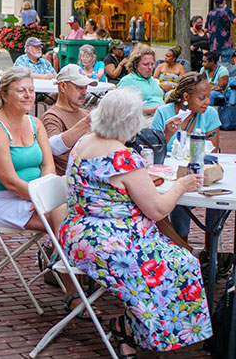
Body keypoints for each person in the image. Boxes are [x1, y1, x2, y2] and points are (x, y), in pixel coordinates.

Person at [60, 87, 211, 356]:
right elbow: (157, 210)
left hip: (75, 235)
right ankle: (139, 329)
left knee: (174, 258)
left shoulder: (82, 143)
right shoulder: (124, 157)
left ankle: (129, 330)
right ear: (130, 122)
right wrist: (181, 185)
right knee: (181, 263)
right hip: (111, 242)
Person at [0, 67, 82, 310]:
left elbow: (48, 166)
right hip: (2, 199)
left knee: (71, 206)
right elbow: (10, 182)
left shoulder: (35, 123)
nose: (28, 95)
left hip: (37, 195)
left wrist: (44, 195)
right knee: (72, 224)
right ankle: (73, 287)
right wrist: (42, 197)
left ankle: (61, 261)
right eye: (21, 91)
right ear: (4, 94)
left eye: (31, 90)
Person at [150, 72, 221, 248]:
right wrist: (167, 134)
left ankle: (210, 251)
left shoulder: (210, 115)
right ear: (186, 97)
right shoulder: (163, 113)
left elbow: (212, 150)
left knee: (217, 202)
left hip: (200, 174)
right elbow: (152, 152)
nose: (207, 102)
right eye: (202, 97)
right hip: (169, 175)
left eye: (209, 97)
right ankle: (183, 246)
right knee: (178, 199)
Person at [42, 64, 93, 175]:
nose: (84, 92)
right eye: (79, 87)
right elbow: (53, 147)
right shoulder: (52, 116)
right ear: (63, 86)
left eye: (86, 87)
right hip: (70, 180)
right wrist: (86, 123)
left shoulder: (85, 113)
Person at [118, 43, 164, 116]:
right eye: (146, 64)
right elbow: (123, 109)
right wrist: (152, 110)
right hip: (143, 119)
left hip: (160, 116)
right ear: (135, 65)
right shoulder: (127, 81)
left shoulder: (153, 80)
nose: (150, 67)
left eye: (152, 64)